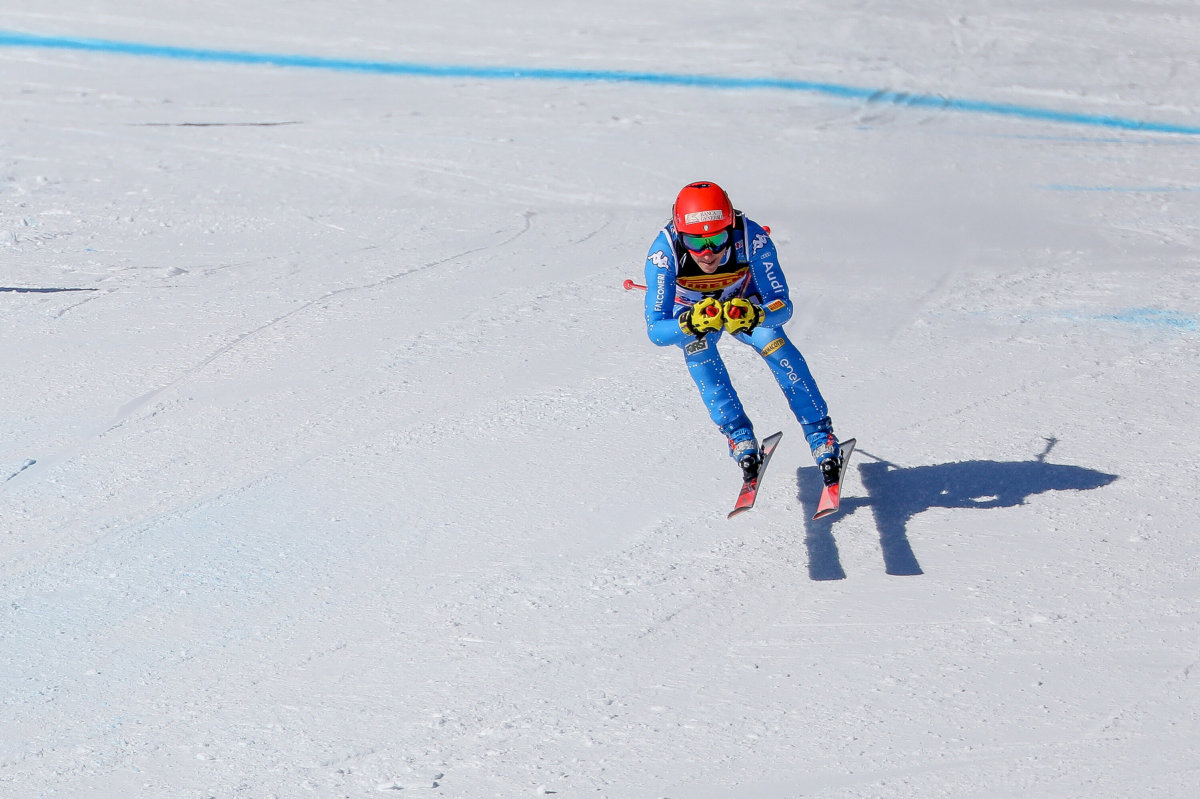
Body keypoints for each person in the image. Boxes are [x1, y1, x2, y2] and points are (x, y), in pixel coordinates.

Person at [642, 180, 842, 484]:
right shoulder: (663, 253)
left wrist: (758, 313)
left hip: (744, 305)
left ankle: (820, 435)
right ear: (681, 236)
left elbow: (783, 305)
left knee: (774, 341)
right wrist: (689, 324)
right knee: (698, 350)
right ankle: (738, 436)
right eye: (695, 243)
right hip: (694, 315)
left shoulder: (752, 238)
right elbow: (656, 330)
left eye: (718, 239)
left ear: (731, 226)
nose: (708, 253)